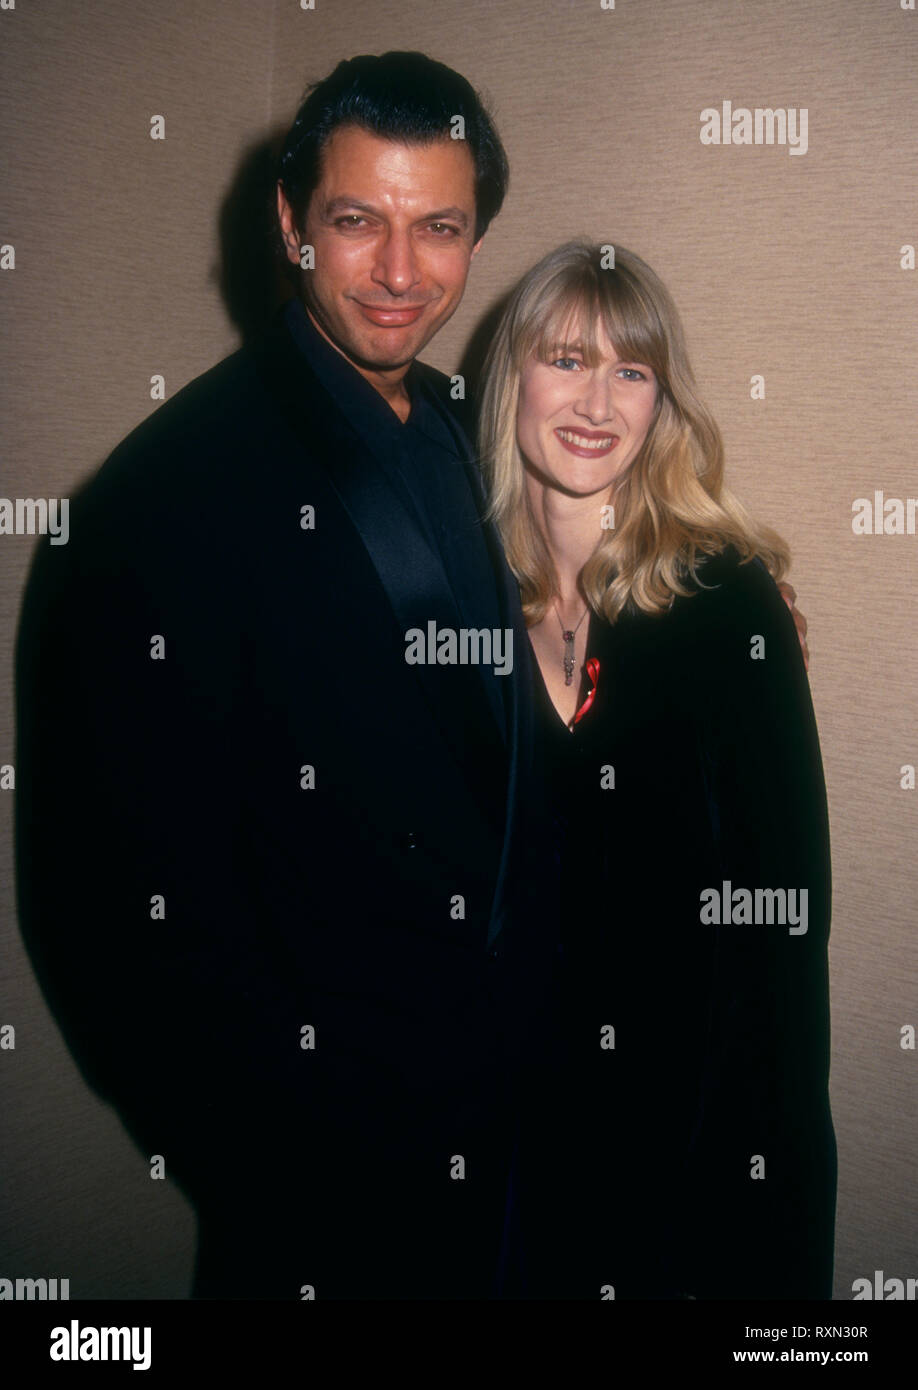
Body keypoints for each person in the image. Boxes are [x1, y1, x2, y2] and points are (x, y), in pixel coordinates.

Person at [14, 52, 561, 1300]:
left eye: (442, 227)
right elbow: (108, 915)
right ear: (290, 222)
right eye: (357, 220)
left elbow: (501, 707)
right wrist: (290, 1149)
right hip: (328, 1191)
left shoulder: (470, 427)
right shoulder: (160, 502)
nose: (401, 272)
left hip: (518, 1133)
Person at [477, 241, 836, 1299]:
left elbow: (784, 928)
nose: (596, 399)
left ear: (660, 403)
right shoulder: (463, 600)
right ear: (513, 380)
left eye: (631, 369)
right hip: (515, 1137)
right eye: (565, 358)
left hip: (692, 1144)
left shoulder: (726, 604)